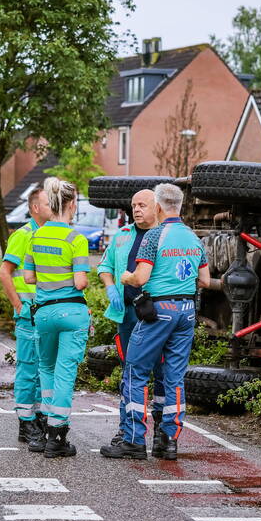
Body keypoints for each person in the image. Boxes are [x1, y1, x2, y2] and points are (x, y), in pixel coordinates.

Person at [100, 183, 214, 462]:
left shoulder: (154, 236)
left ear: (160, 207)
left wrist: (123, 279)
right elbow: (205, 281)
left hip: (158, 311)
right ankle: (168, 442)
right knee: (174, 378)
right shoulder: (193, 237)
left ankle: (134, 441)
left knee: (134, 372)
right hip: (186, 311)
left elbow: (139, 278)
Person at [23, 177, 90, 458]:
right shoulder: (76, 239)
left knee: (47, 370)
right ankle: (58, 436)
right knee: (65, 373)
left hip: (44, 313)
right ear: (72, 204)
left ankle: (48, 428)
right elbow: (80, 282)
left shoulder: (35, 236)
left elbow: (28, 276)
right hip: (72, 312)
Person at [97, 189, 163, 447]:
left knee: (160, 371)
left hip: (155, 315)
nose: (136, 210)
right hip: (127, 314)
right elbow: (104, 266)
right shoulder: (122, 236)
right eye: (133, 205)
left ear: (156, 207)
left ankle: (160, 430)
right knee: (129, 373)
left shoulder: (163, 237)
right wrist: (110, 286)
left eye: (142, 205)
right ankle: (126, 429)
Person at [0, 186, 52, 452]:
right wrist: (18, 305)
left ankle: (37, 417)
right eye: (47, 202)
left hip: (46, 313)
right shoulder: (24, 235)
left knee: (43, 370)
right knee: (29, 370)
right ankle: (26, 421)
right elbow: (4, 273)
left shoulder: (52, 235)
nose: (52, 206)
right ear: (35, 208)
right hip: (29, 314)